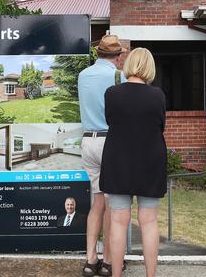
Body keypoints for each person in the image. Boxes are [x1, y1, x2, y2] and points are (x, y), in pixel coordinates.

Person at [100, 47, 167, 277]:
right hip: (150, 161)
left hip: (118, 162)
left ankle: (116, 274)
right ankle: (151, 275)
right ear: (149, 67)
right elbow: (160, 126)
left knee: (118, 222)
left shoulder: (111, 93)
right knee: (148, 221)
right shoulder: (157, 95)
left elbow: (111, 121)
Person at [78, 34, 126, 277]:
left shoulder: (83, 75)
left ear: (98, 54)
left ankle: (90, 260)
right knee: (111, 205)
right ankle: (108, 261)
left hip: (88, 141)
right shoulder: (118, 77)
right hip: (110, 141)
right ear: (117, 57)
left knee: (96, 203)